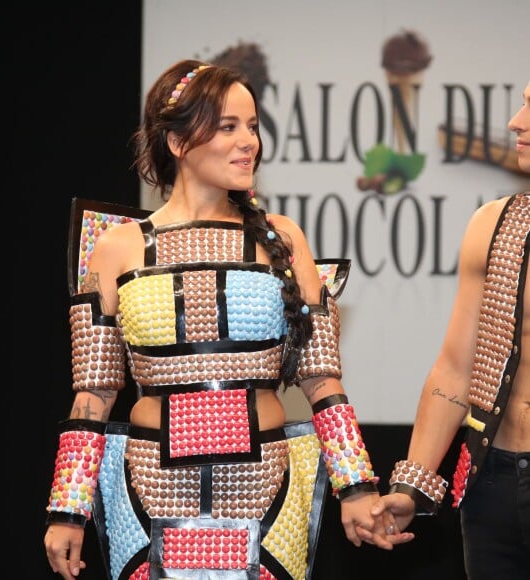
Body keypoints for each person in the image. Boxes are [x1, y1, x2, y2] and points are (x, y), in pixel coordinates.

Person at [43, 59, 411, 580]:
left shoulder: (283, 239)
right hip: (149, 490)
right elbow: (93, 394)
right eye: (228, 127)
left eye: (254, 127)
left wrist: (357, 487)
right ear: (177, 142)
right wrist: (67, 510)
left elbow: (321, 378)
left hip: (266, 490)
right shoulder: (116, 247)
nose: (250, 143)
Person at [369, 81, 530, 578]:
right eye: (523, 103)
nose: (515, 122)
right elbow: (458, 368)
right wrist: (409, 485)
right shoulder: (494, 224)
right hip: (493, 482)